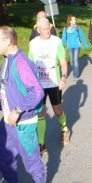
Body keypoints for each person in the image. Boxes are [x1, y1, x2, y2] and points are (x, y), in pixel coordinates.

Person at [0, 26, 50, 183]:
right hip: (7, 121)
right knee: (3, 158)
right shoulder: (7, 59)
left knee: (31, 159)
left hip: (22, 122)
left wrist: (17, 110)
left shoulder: (20, 63)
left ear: (8, 41)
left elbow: (37, 91)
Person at [29, 18, 70, 154]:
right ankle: (41, 143)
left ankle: (64, 128)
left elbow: (63, 62)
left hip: (54, 81)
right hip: (39, 83)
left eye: (49, 28)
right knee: (41, 111)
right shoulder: (33, 43)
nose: (47, 31)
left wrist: (63, 77)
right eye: (44, 29)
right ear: (38, 30)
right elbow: (30, 64)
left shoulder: (56, 41)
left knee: (57, 110)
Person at [61, 15, 89, 80]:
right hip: (70, 47)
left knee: (75, 60)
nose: (75, 21)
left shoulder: (78, 28)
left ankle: (75, 75)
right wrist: (62, 46)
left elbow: (82, 36)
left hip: (77, 46)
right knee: (71, 61)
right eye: (73, 20)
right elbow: (63, 38)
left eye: (75, 19)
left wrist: (85, 45)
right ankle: (74, 69)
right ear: (70, 21)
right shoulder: (66, 29)